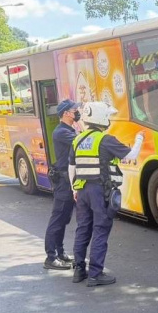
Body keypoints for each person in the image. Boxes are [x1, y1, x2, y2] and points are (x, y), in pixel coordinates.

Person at [69, 102, 144, 287]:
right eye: (108, 117)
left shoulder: (77, 140)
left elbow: (71, 167)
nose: (109, 120)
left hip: (82, 190)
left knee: (83, 229)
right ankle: (95, 274)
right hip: (99, 191)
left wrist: (74, 189)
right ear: (101, 117)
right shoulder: (106, 139)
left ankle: (79, 270)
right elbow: (132, 156)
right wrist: (140, 139)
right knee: (100, 230)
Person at [43, 99, 81, 271]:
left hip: (68, 181)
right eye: (75, 110)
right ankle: (51, 257)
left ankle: (60, 252)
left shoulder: (68, 129)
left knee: (64, 219)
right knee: (58, 219)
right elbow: (82, 142)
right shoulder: (62, 132)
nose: (77, 112)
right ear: (66, 113)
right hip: (64, 182)